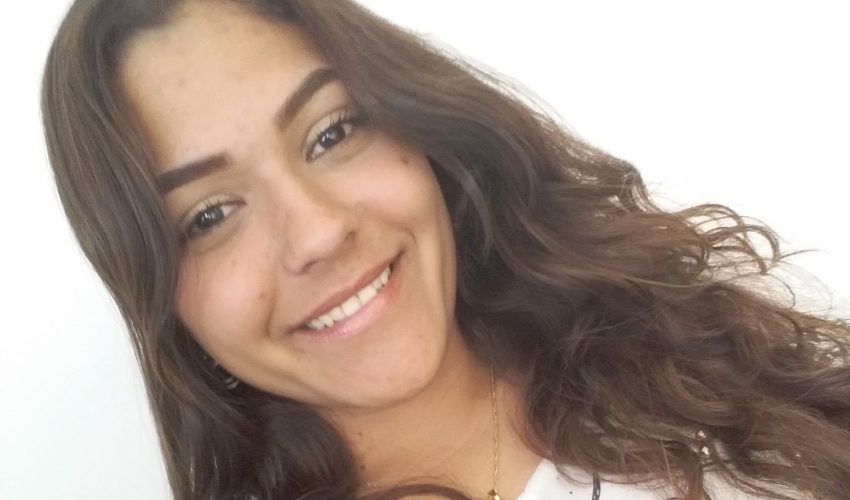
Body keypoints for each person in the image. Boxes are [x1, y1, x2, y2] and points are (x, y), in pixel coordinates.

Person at [41, 1, 850, 499]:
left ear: (415, 125)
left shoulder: (680, 339)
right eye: (211, 214)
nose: (319, 232)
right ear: (161, 294)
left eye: (331, 132)